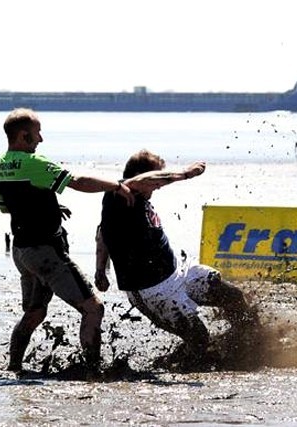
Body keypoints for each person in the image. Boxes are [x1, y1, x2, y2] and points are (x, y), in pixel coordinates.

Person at [0, 108, 134, 373]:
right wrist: (116, 186)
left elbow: (7, 207)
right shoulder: (34, 163)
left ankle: (13, 367)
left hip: (22, 253)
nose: (41, 140)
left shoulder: (1, 166)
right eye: (37, 134)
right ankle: (93, 372)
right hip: (45, 252)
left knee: (35, 314)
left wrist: (46, 206)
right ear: (24, 136)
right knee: (93, 308)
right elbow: (78, 181)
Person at [94, 149, 255, 357]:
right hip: (153, 290)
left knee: (233, 298)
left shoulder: (132, 200)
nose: (159, 187)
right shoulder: (120, 193)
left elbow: (102, 232)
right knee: (199, 339)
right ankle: (175, 366)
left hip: (179, 271)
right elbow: (103, 232)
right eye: (158, 180)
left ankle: (251, 345)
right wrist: (185, 174)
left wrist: (100, 270)